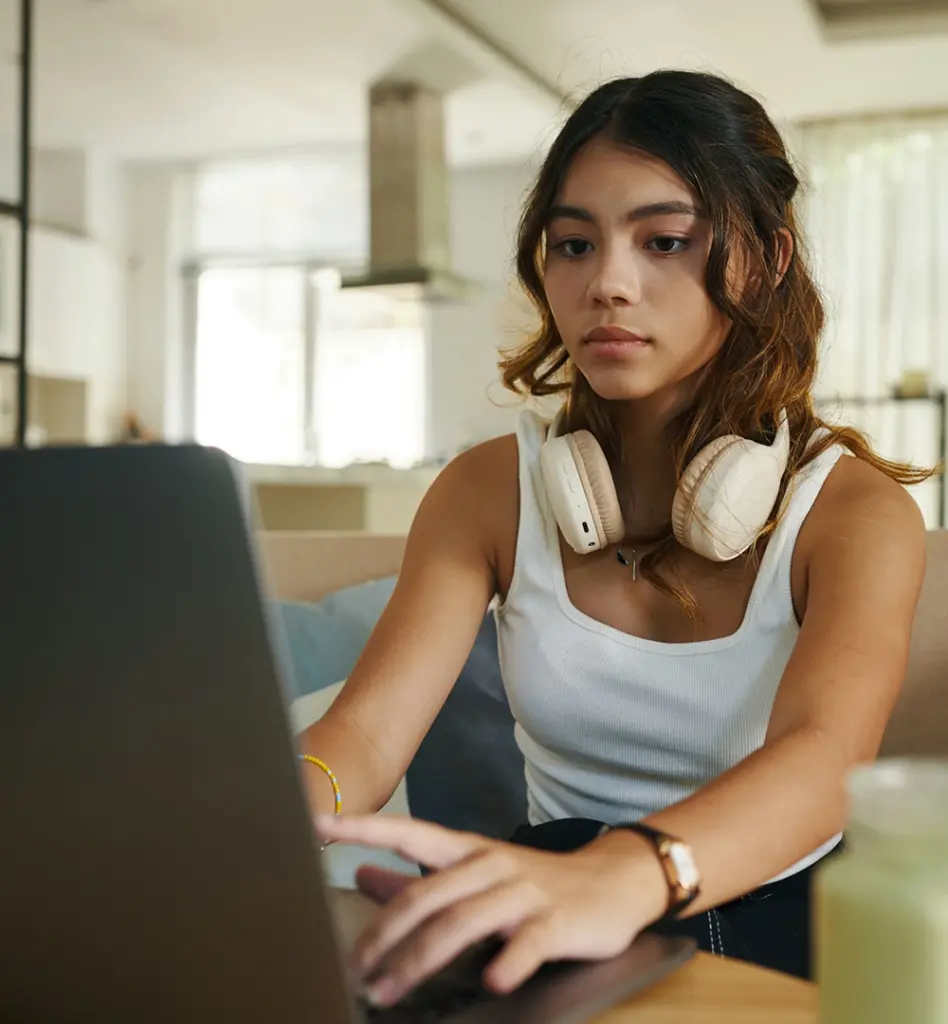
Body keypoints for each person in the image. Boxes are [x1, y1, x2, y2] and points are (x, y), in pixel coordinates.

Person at [301, 69, 931, 1006]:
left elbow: (821, 758)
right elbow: (364, 732)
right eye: (573, 243)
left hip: (767, 920)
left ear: (763, 259)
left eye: (665, 240)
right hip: (553, 892)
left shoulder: (855, 514)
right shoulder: (485, 490)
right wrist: (275, 810)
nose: (608, 283)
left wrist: (627, 878)